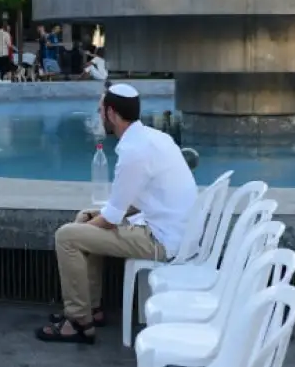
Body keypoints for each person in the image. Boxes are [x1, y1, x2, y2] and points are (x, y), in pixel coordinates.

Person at [35, 84, 197, 344]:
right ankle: (92, 308)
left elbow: (111, 219)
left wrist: (99, 220)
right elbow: (139, 199)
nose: (99, 115)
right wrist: (94, 218)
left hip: (162, 241)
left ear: (111, 113)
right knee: (85, 217)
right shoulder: (154, 138)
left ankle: (78, 322)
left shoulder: (134, 152)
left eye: (100, 110)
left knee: (66, 236)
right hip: (170, 228)